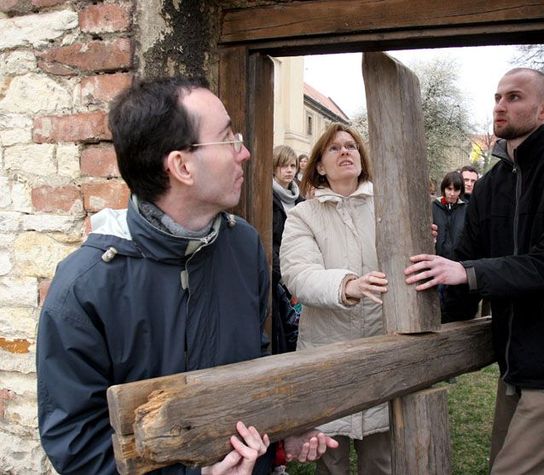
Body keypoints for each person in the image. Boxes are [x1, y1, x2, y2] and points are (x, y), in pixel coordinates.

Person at [36, 77, 336, 475]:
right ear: (181, 166)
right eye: (228, 138)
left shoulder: (244, 247)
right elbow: (76, 445)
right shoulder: (84, 289)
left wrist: (281, 436)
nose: (244, 152)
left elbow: (256, 368)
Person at [404, 68, 544, 474]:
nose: (501, 105)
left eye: (514, 97)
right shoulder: (491, 183)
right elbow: (464, 263)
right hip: (511, 368)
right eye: (498, 97)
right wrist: (426, 289)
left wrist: (467, 273)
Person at [280, 123, 391, 475]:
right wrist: (347, 286)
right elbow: (298, 274)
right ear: (319, 167)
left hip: (381, 352)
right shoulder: (302, 216)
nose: (345, 152)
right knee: (331, 461)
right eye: (334, 148)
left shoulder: (388, 209)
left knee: (382, 461)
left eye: (351, 146)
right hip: (327, 355)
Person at [272, 145, 304, 354]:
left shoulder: (301, 200)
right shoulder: (267, 198)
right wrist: (284, 276)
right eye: (283, 166)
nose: (289, 170)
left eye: (292, 165)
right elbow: (269, 241)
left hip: (300, 271)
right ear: (274, 168)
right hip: (279, 277)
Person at [431, 171, 468, 322]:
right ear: (444, 188)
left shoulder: (466, 209)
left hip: (456, 265)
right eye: (449, 189)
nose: (452, 193)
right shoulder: (434, 206)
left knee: (453, 307)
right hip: (435, 263)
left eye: (456, 190)